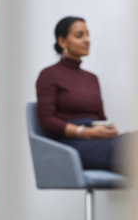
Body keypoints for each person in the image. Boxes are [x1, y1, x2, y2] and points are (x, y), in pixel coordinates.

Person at [36, 16, 128, 172]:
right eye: (79, 35)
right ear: (62, 41)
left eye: (88, 35)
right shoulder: (49, 74)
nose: (87, 40)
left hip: (99, 140)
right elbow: (47, 121)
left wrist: (108, 129)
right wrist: (86, 132)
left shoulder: (92, 78)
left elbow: (100, 118)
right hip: (72, 144)